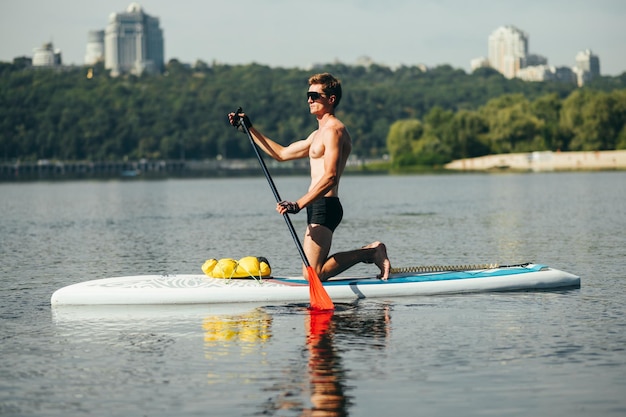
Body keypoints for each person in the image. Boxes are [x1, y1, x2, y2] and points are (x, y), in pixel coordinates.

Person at [228, 73, 390, 281]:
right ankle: (369, 253)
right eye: (308, 95)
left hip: (326, 205)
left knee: (314, 274)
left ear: (331, 99)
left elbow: (330, 177)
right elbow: (281, 154)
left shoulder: (335, 131)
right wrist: (249, 128)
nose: (309, 100)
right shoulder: (317, 135)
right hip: (315, 204)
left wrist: (298, 204)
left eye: (315, 95)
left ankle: (372, 253)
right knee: (312, 271)